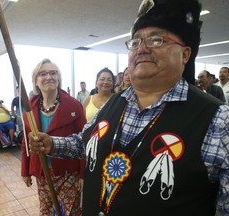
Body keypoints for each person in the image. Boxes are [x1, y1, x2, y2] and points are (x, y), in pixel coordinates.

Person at [28, 0, 229, 215]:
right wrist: (52, 144)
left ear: (185, 54)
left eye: (156, 39)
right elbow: (85, 143)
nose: (141, 48)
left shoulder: (217, 119)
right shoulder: (116, 101)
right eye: (135, 42)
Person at [21, 58, 86, 215]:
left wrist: (83, 175)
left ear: (58, 79)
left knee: (70, 211)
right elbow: (25, 141)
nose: (48, 77)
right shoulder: (29, 108)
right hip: (43, 172)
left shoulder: (73, 105)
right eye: (42, 74)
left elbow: (85, 141)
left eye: (53, 73)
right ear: (36, 81)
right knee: (47, 211)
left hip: (68, 173)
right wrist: (25, 170)